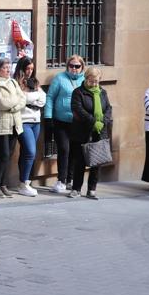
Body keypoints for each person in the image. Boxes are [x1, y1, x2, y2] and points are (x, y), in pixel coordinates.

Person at [68, 66, 112, 199]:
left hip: (99, 132)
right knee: (79, 162)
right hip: (82, 132)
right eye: (91, 81)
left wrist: (103, 121)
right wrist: (94, 122)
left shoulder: (102, 93)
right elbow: (78, 110)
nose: (94, 84)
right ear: (86, 79)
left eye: (96, 81)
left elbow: (108, 108)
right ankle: (76, 189)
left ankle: (92, 189)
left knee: (96, 161)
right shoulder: (78, 92)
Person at [44, 54, 85, 193]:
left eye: (77, 66)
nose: (74, 68)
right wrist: (48, 117)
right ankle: (61, 180)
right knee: (64, 149)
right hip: (60, 121)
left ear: (82, 67)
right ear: (67, 66)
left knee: (74, 151)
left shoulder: (85, 80)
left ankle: (70, 179)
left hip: (77, 123)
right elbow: (50, 97)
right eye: (71, 65)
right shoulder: (60, 78)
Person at [0, 58, 26, 198]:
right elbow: (1, 103)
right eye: (5, 68)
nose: (8, 70)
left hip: (14, 123)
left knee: (8, 156)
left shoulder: (13, 82)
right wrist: (15, 102)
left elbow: (23, 99)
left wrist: (13, 105)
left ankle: (2, 184)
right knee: (2, 155)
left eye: (9, 67)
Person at [14, 57, 46, 197]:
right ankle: (24, 183)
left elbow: (43, 99)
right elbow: (21, 99)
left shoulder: (35, 81)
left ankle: (23, 182)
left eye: (32, 69)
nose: (29, 72)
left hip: (36, 121)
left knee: (26, 153)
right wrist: (35, 97)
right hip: (23, 121)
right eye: (27, 69)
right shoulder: (16, 82)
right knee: (31, 151)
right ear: (21, 68)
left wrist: (32, 98)